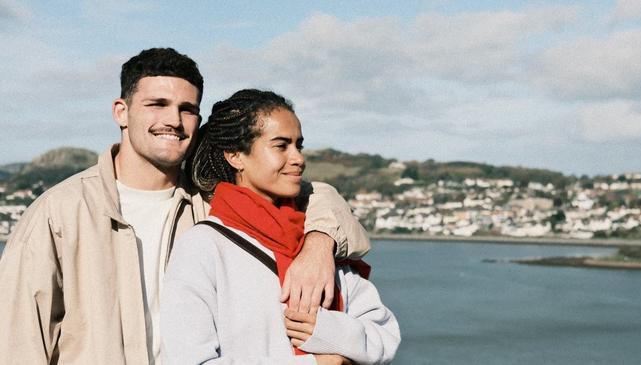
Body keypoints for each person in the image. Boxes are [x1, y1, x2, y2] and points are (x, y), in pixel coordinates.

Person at [0, 48, 370, 364]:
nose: (173, 121)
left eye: (187, 108)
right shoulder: (58, 214)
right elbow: (18, 343)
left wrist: (319, 242)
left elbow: (317, 194)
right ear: (121, 112)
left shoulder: (215, 203)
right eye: (157, 104)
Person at [161, 89, 400, 365]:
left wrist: (329, 331)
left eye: (298, 145)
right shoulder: (203, 246)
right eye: (281, 145)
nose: (298, 158)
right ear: (235, 155)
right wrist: (316, 363)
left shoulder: (320, 242)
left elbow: (385, 334)